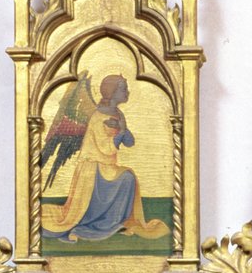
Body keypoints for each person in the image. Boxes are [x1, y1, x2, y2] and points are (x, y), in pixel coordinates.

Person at [41, 74, 168, 243]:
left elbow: (129, 142)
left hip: (107, 167)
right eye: (124, 89)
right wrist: (121, 131)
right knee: (127, 177)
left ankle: (115, 220)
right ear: (112, 92)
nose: (127, 92)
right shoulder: (98, 117)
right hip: (92, 169)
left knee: (128, 176)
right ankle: (102, 222)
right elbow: (106, 148)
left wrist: (123, 129)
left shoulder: (118, 114)